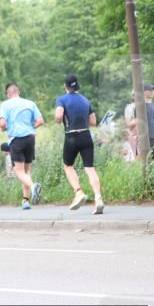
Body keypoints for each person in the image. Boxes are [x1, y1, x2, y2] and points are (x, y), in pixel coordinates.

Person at [55, 74, 104, 214]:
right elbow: (93, 122)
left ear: (65, 86)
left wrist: (58, 119)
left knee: (68, 166)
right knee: (90, 167)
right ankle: (98, 198)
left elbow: (59, 116)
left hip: (71, 136)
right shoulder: (85, 100)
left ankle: (78, 192)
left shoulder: (61, 99)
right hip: (86, 135)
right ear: (77, 86)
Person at [0, 82, 44, 210]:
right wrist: (30, 127)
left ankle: (34, 186)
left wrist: (6, 128)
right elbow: (40, 121)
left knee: (18, 171)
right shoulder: (30, 103)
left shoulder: (5, 105)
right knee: (27, 171)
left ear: (9, 93)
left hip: (16, 139)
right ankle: (25, 201)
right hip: (30, 138)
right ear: (18, 92)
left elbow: (2, 124)